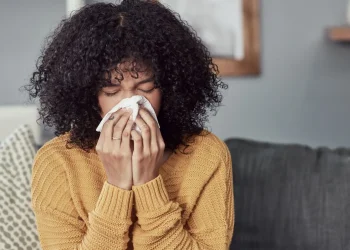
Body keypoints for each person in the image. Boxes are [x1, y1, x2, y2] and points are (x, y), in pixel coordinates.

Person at [26, 0, 234, 249]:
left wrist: (148, 184)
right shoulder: (58, 162)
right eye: (112, 89)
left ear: (170, 87)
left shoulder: (207, 155)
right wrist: (116, 186)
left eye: (145, 88)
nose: (130, 104)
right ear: (88, 94)